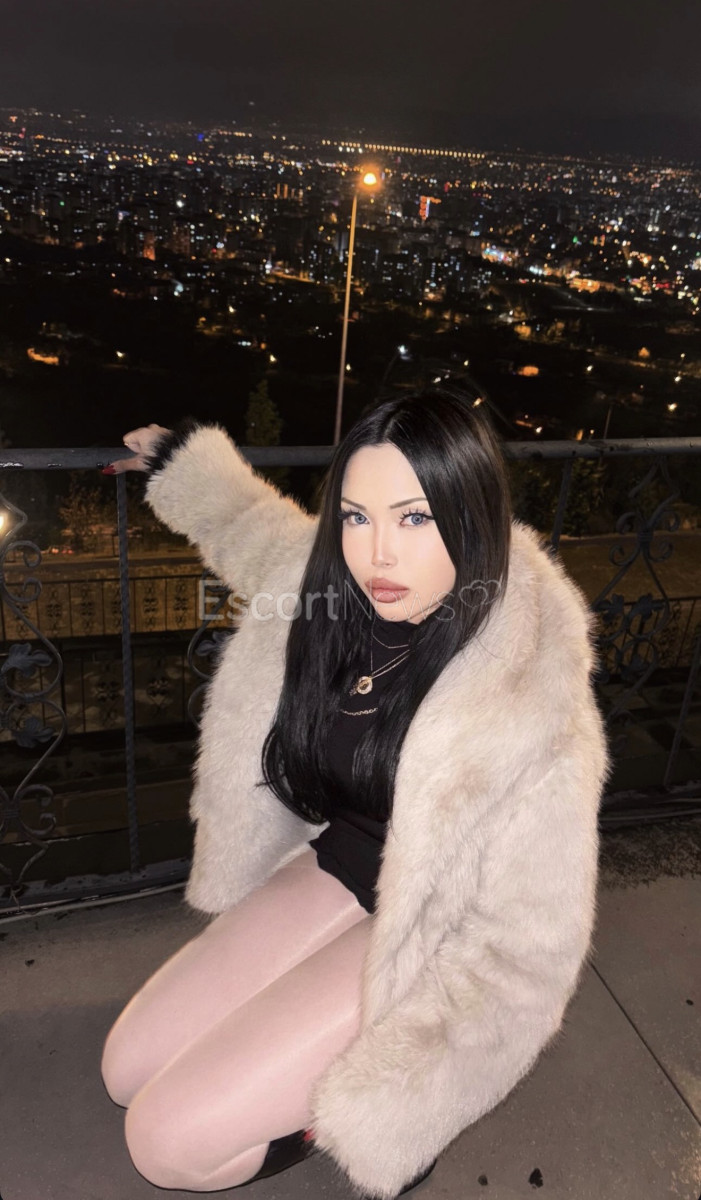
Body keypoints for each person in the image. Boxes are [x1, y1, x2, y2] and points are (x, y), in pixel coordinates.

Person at [100, 389, 611, 1200]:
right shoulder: (334, 592)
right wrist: (180, 463)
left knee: (167, 1144)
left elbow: (529, 949)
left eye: (414, 519)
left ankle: (315, 1123)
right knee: (125, 1069)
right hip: (339, 867)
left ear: (470, 515)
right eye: (356, 516)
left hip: (435, 928)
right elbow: (255, 531)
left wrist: (404, 1096)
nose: (379, 554)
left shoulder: (528, 691)